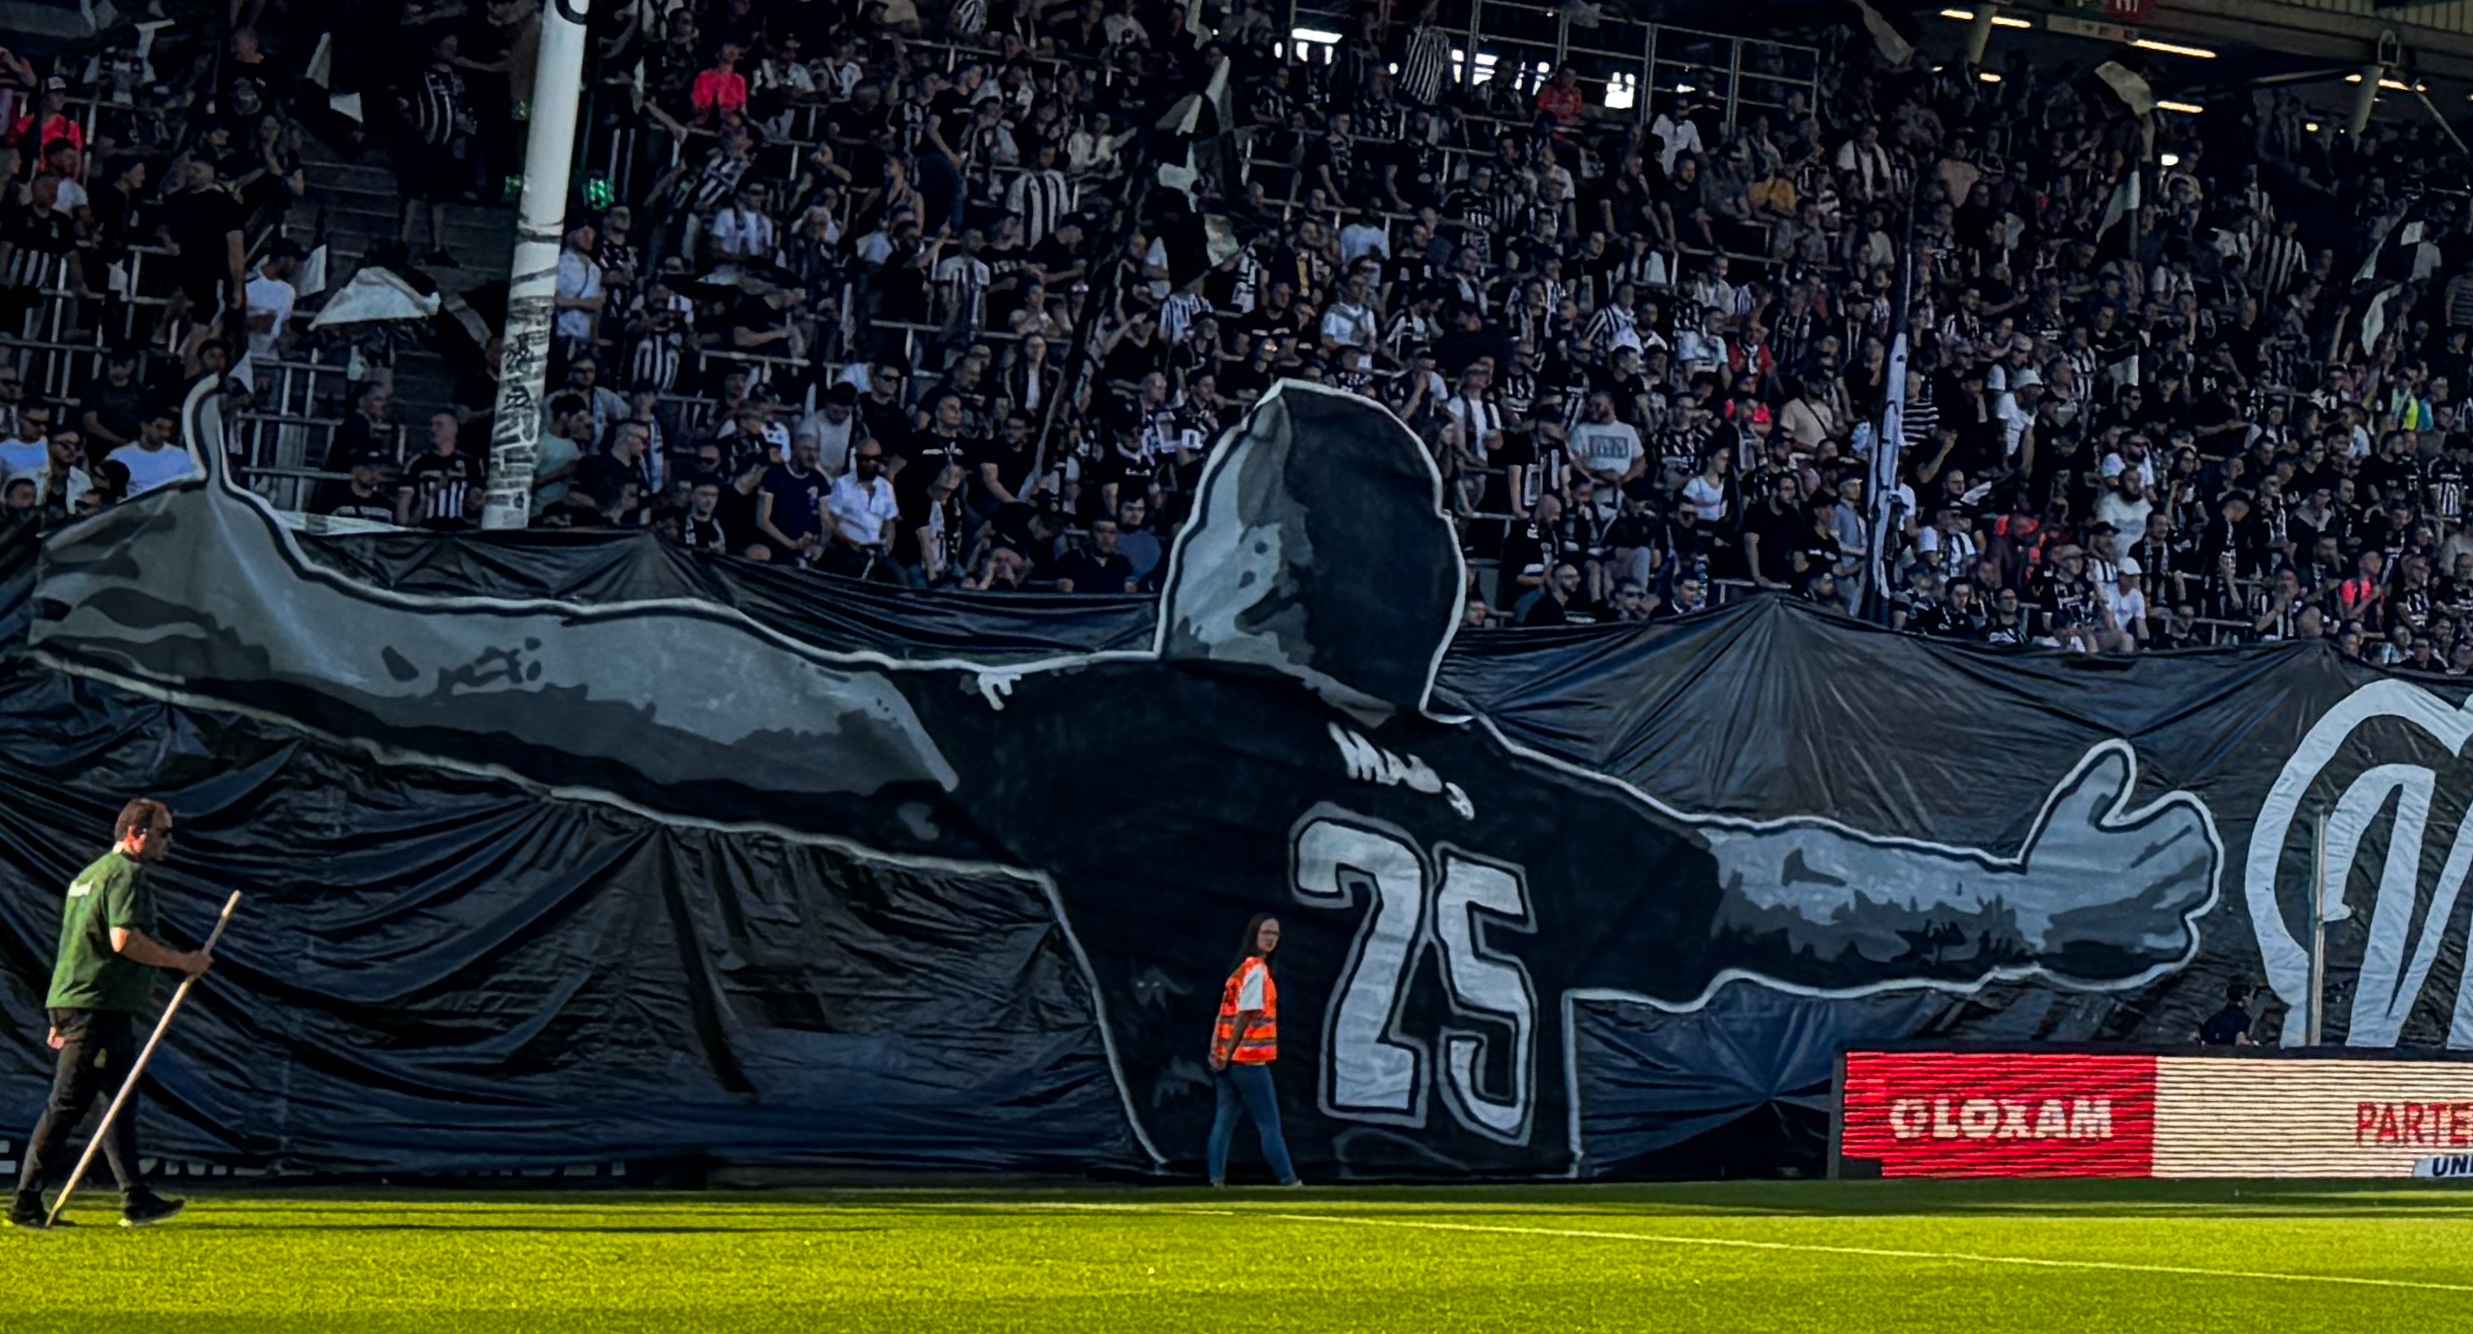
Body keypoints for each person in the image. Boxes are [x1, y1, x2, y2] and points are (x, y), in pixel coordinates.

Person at [43, 381, 2217, 1175]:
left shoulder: (1166, 735)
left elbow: (741, 695)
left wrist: (338, 630)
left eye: (1203, 522)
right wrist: (2033, 905)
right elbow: (1785, 878)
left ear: (1247, 560)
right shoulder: (1511, 799)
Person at [15, 796, 216, 1230]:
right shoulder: (127, 875)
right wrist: (184, 962)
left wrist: (57, 1015)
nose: (169, 842)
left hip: (82, 1001)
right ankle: (25, 1201)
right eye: (162, 833)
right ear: (134, 833)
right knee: (67, 1103)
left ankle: (134, 1197)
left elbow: (74, 946)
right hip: (95, 1006)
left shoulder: (88, 876)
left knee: (117, 1100)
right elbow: (123, 940)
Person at [1208, 914, 1297, 1189]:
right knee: (1268, 1124)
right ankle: (1289, 1180)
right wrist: (1227, 1052)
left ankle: (1216, 1179)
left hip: (1228, 1060)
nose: (1271, 938)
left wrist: (1216, 1050)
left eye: (1275, 934)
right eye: (1266, 932)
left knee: (1224, 1120)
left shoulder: (1239, 971)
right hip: (1248, 1060)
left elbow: (1222, 1014)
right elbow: (1245, 1015)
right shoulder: (1257, 971)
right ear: (1254, 934)